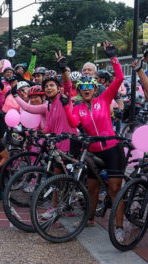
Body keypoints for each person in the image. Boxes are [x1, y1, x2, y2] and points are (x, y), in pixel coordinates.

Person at [63, 40, 125, 241]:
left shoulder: (104, 99)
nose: (87, 89)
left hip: (112, 148)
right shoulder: (79, 107)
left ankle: (119, 227)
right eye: (83, 87)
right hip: (93, 152)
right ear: (80, 91)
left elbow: (119, 78)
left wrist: (113, 57)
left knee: (115, 189)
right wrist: (67, 105)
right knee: (92, 188)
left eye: (90, 86)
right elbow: (73, 122)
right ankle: (89, 219)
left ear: (95, 88)